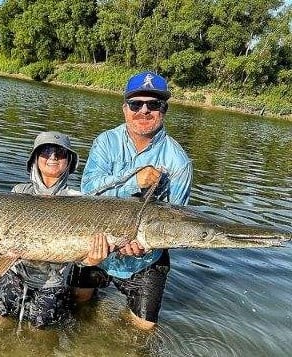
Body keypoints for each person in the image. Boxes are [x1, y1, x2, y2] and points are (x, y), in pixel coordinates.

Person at [79, 71, 193, 330]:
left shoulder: (179, 161)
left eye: (153, 105)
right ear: (125, 109)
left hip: (146, 259)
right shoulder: (105, 142)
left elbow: (177, 221)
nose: (144, 111)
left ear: (164, 110)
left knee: (143, 331)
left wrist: (148, 247)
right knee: (77, 305)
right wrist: (134, 181)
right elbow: (87, 193)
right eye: (136, 104)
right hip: (97, 246)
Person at [0, 131, 110, 329]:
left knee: (42, 337)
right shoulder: (18, 192)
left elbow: (81, 256)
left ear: (69, 161)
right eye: (45, 151)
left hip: (52, 283)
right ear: (35, 159)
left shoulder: (79, 200)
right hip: (14, 274)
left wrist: (91, 260)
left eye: (60, 152)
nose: (52, 156)